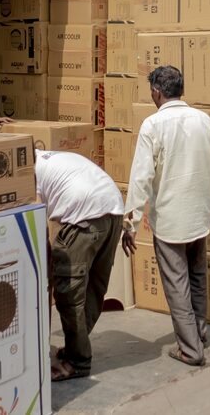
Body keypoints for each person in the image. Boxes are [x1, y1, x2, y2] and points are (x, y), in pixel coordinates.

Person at [121, 66, 210, 367]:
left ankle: (191, 350)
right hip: (200, 215)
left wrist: (129, 223)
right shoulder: (203, 120)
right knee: (197, 278)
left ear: (157, 91)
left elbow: (141, 178)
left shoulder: (153, 125)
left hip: (170, 220)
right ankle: (199, 335)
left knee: (177, 284)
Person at [35, 149, 124, 380]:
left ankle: (77, 361)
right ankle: (77, 347)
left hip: (85, 217)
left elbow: (34, 222)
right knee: (94, 286)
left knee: (68, 293)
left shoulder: (26, 172)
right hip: (113, 210)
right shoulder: (51, 157)